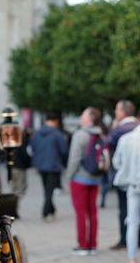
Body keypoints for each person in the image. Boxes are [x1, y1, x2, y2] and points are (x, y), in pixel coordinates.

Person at [66, 107, 105, 256]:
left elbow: (74, 158)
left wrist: (69, 176)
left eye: (83, 114)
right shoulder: (100, 133)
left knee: (81, 213)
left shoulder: (80, 134)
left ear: (89, 118)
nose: (81, 116)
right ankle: (93, 245)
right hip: (95, 178)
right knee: (92, 212)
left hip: (80, 178)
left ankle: (83, 245)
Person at [107, 100, 139, 250]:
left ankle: (126, 242)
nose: (115, 112)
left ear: (124, 112)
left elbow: (115, 158)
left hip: (127, 179)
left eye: (117, 110)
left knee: (127, 214)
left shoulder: (120, 131)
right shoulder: (133, 128)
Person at [29, 112, 68, 222]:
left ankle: (51, 209)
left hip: (40, 165)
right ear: (55, 121)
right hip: (53, 165)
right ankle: (45, 213)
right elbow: (64, 150)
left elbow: (32, 147)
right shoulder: (57, 134)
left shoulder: (37, 133)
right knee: (49, 191)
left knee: (47, 189)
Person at [113, 124, 140, 263]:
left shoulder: (126, 138)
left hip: (132, 184)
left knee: (132, 221)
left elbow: (117, 162)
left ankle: (132, 257)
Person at [11, 128, 32, 218]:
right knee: (19, 190)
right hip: (19, 167)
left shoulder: (12, 140)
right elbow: (24, 154)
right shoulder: (21, 140)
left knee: (15, 189)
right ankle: (14, 210)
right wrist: (29, 163)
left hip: (13, 167)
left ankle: (13, 208)